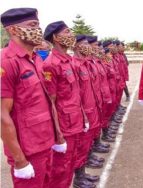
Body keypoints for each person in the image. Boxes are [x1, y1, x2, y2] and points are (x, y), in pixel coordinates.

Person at [1, 8, 55, 188]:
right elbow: (2, 116)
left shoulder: (34, 59)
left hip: (45, 142)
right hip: (28, 150)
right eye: (32, 25)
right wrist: (19, 160)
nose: (38, 30)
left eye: (38, 25)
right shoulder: (6, 61)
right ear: (13, 30)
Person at [43, 21, 85, 188]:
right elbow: (51, 102)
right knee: (60, 168)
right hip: (64, 126)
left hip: (75, 122)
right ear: (56, 37)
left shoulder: (68, 61)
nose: (71, 36)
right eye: (67, 32)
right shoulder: (51, 64)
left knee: (70, 164)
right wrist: (58, 133)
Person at [72, 34, 101, 187]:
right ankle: (78, 178)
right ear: (76, 46)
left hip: (91, 107)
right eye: (84, 43)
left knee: (87, 142)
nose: (88, 46)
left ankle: (84, 171)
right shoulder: (75, 64)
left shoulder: (85, 63)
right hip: (82, 112)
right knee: (80, 144)